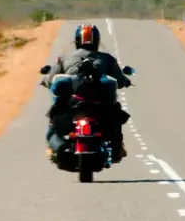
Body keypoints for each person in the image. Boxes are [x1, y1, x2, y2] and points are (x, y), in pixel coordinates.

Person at [41, 23, 131, 161]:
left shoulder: (65, 58)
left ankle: (54, 147)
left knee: (54, 119)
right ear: (97, 40)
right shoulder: (107, 59)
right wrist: (126, 81)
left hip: (71, 105)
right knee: (116, 115)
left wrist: (45, 81)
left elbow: (50, 79)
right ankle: (118, 147)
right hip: (100, 106)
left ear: (77, 40)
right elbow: (120, 79)